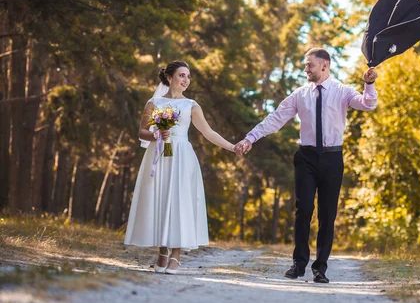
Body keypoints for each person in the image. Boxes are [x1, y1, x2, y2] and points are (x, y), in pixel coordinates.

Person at [235, 47, 378, 283]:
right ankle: (298, 264)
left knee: (327, 215)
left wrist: (369, 84)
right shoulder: (300, 95)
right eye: (305, 65)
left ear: (324, 65)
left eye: (309, 65)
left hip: (332, 158)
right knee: (303, 211)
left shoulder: (342, 92)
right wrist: (250, 138)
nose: (305, 69)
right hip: (306, 158)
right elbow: (276, 118)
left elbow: (367, 104)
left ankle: (320, 268)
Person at [125, 60, 237, 274]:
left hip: (182, 157)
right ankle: (162, 250)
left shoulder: (191, 105)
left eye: (188, 76)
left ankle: (176, 254)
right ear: (169, 77)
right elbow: (142, 132)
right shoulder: (153, 103)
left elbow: (209, 133)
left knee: (179, 201)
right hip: (160, 154)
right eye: (182, 75)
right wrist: (157, 133)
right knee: (161, 198)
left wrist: (232, 147)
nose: (186, 80)